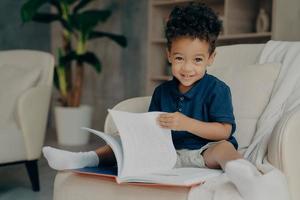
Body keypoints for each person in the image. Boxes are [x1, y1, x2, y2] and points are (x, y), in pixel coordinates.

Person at [43, 3, 268, 200]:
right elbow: (151, 131)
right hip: (165, 155)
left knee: (224, 147)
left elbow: (224, 131)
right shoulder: (162, 92)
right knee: (121, 140)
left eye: (197, 60)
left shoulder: (217, 89)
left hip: (202, 154)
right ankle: (83, 159)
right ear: (169, 55)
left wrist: (185, 123)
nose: (187, 68)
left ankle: (244, 175)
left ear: (210, 58)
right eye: (180, 58)